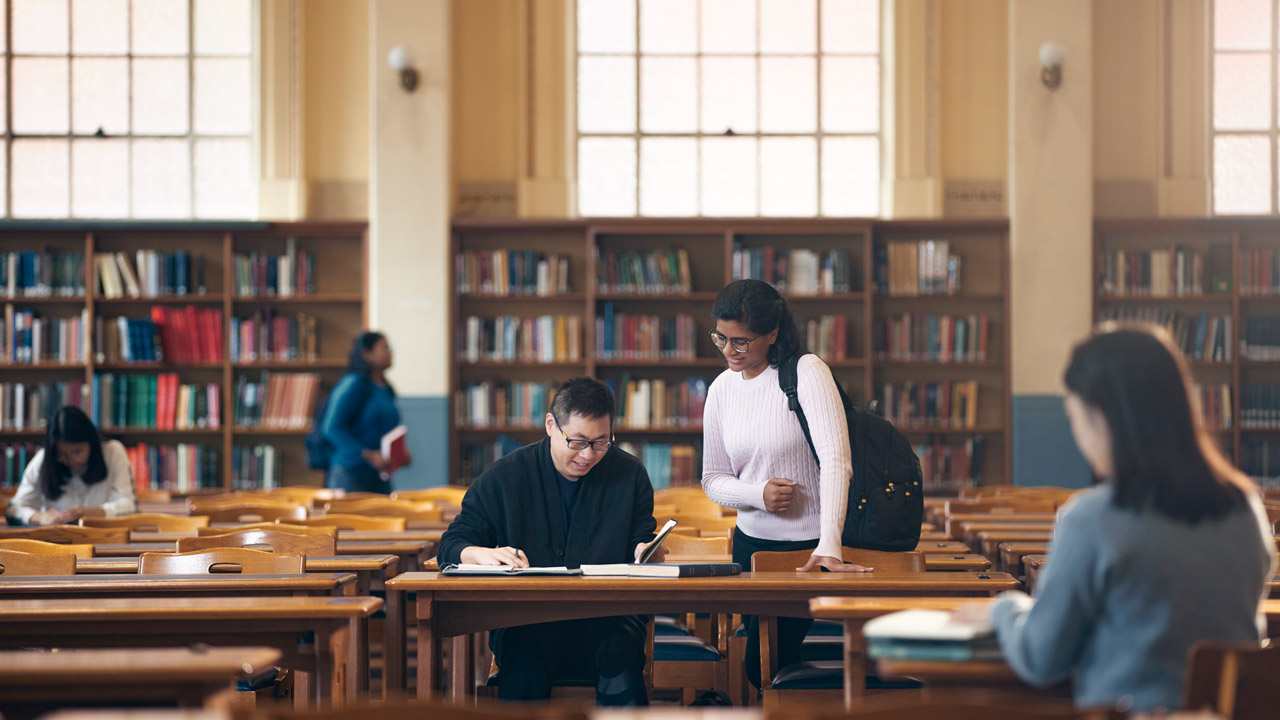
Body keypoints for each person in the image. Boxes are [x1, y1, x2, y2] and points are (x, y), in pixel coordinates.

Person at [963, 323, 1276, 713]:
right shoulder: (1244, 508)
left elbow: (1041, 658)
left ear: (1103, 417)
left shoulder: (1093, 518)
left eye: (1075, 419)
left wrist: (1004, 608)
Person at [437, 377, 664, 705]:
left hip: (608, 618)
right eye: (577, 441)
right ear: (550, 425)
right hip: (526, 619)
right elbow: (452, 543)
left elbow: (640, 537)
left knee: (621, 663)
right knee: (524, 662)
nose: (588, 455)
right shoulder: (505, 476)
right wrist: (480, 553)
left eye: (601, 442)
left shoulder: (630, 474)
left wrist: (645, 550)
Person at [700, 278, 869, 688]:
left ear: (772, 334)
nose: (728, 351)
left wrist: (829, 543)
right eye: (721, 338)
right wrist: (756, 494)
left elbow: (836, 460)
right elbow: (712, 478)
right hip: (751, 545)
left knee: (770, 664)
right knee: (764, 662)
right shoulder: (721, 389)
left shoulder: (806, 371)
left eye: (741, 342)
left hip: (808, 546)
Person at [8, 405, 137, 526]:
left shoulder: (113, 452)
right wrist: (40, 517)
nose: (70, 460)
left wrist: (91, 513)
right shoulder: (44, 458)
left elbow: (129, 506)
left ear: (91, 443)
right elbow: (15, 508)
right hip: (56, 542)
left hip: (106, 538)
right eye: (62, 454)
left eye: (77, 452)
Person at [321, 331, 409, 494]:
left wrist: (400, 453)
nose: (391, 352)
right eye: (385, 347)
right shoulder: (354, 384)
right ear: (367, 354)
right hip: (350, 474)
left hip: (380, 475)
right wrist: (369, 455)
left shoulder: (386, 388)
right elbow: (331, 428)